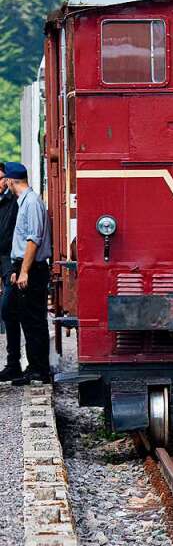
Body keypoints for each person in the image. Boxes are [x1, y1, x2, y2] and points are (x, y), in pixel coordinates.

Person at [3, 163, 51, 383]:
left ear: (12, 181)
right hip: (24, 267)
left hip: (32, 269)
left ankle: (39, 369)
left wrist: (23, 271)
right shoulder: (26, 202)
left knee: (33, 321)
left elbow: (33, 240)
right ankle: (30, 366)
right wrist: (17, 269)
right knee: (19, 314)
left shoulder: (30, 203)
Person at [0, 164, 20, 381]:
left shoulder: (13, 203)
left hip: (9, 263)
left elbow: (9, 236)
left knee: (8, 311)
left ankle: (13, 362)